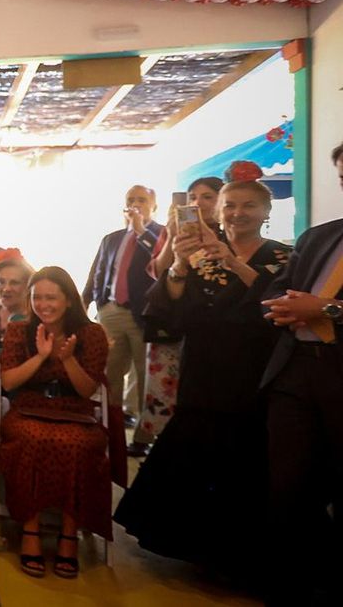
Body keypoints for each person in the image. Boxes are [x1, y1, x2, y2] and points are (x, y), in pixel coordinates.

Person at [114, 179, 287, 587]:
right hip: (204, 370)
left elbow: (277, 304)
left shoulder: (283, 256)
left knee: (247, 462)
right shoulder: (201, 257)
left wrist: (233, 262)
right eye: (230, 206)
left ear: (266, 212)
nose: (238, 214)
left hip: (255, 373)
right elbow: (168, 313)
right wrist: (177, 264)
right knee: (198, 450)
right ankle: (196, 551)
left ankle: (239, 556)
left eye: (248, 206)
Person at [255, 142, 343, 607]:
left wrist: (326, 309)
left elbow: (321, 306)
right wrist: (282, 307)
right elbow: (274, 291)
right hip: (294, 373)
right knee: (288, 488)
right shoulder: (318, 237)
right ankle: (289, 585)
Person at [0, 265, 110, 579]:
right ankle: (30, 530)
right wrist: (41, 356)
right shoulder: (19, 331)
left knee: (77, 445)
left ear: (69, 300)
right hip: (29, 407)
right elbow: (8, 382)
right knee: (31, 438)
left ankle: (69, 534)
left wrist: (67, 358)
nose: (43, 305)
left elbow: (87, 389)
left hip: (76, 410)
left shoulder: (92, 334)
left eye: (51, 298)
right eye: (38, 297)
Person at [137, 176, 224, 450]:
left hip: (211, 326)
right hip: (170, 322)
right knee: (165, 392)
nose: (198, 203)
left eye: (207, 197)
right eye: (193, 197)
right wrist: (173, 237)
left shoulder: (228, 235)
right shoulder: (175, 232)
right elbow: (157, 272)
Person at [82, 185, 165, 432]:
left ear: (154, 206)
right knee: (109, 373)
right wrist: (90, 301)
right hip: (111, 311)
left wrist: (140, 230)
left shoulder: (163, 233)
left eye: (142, 200)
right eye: (131, 200)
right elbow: (97, 272)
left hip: (144, 313)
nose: (135, 204)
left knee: (144, 375)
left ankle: (143, 436)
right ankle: (110, 428)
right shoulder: (111, 238)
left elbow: (162, 262)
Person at [0, 253, 32, 345]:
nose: (6, 288)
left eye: (14, 282)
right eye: (1, 282)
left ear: (27, 286)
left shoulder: (34, 317)